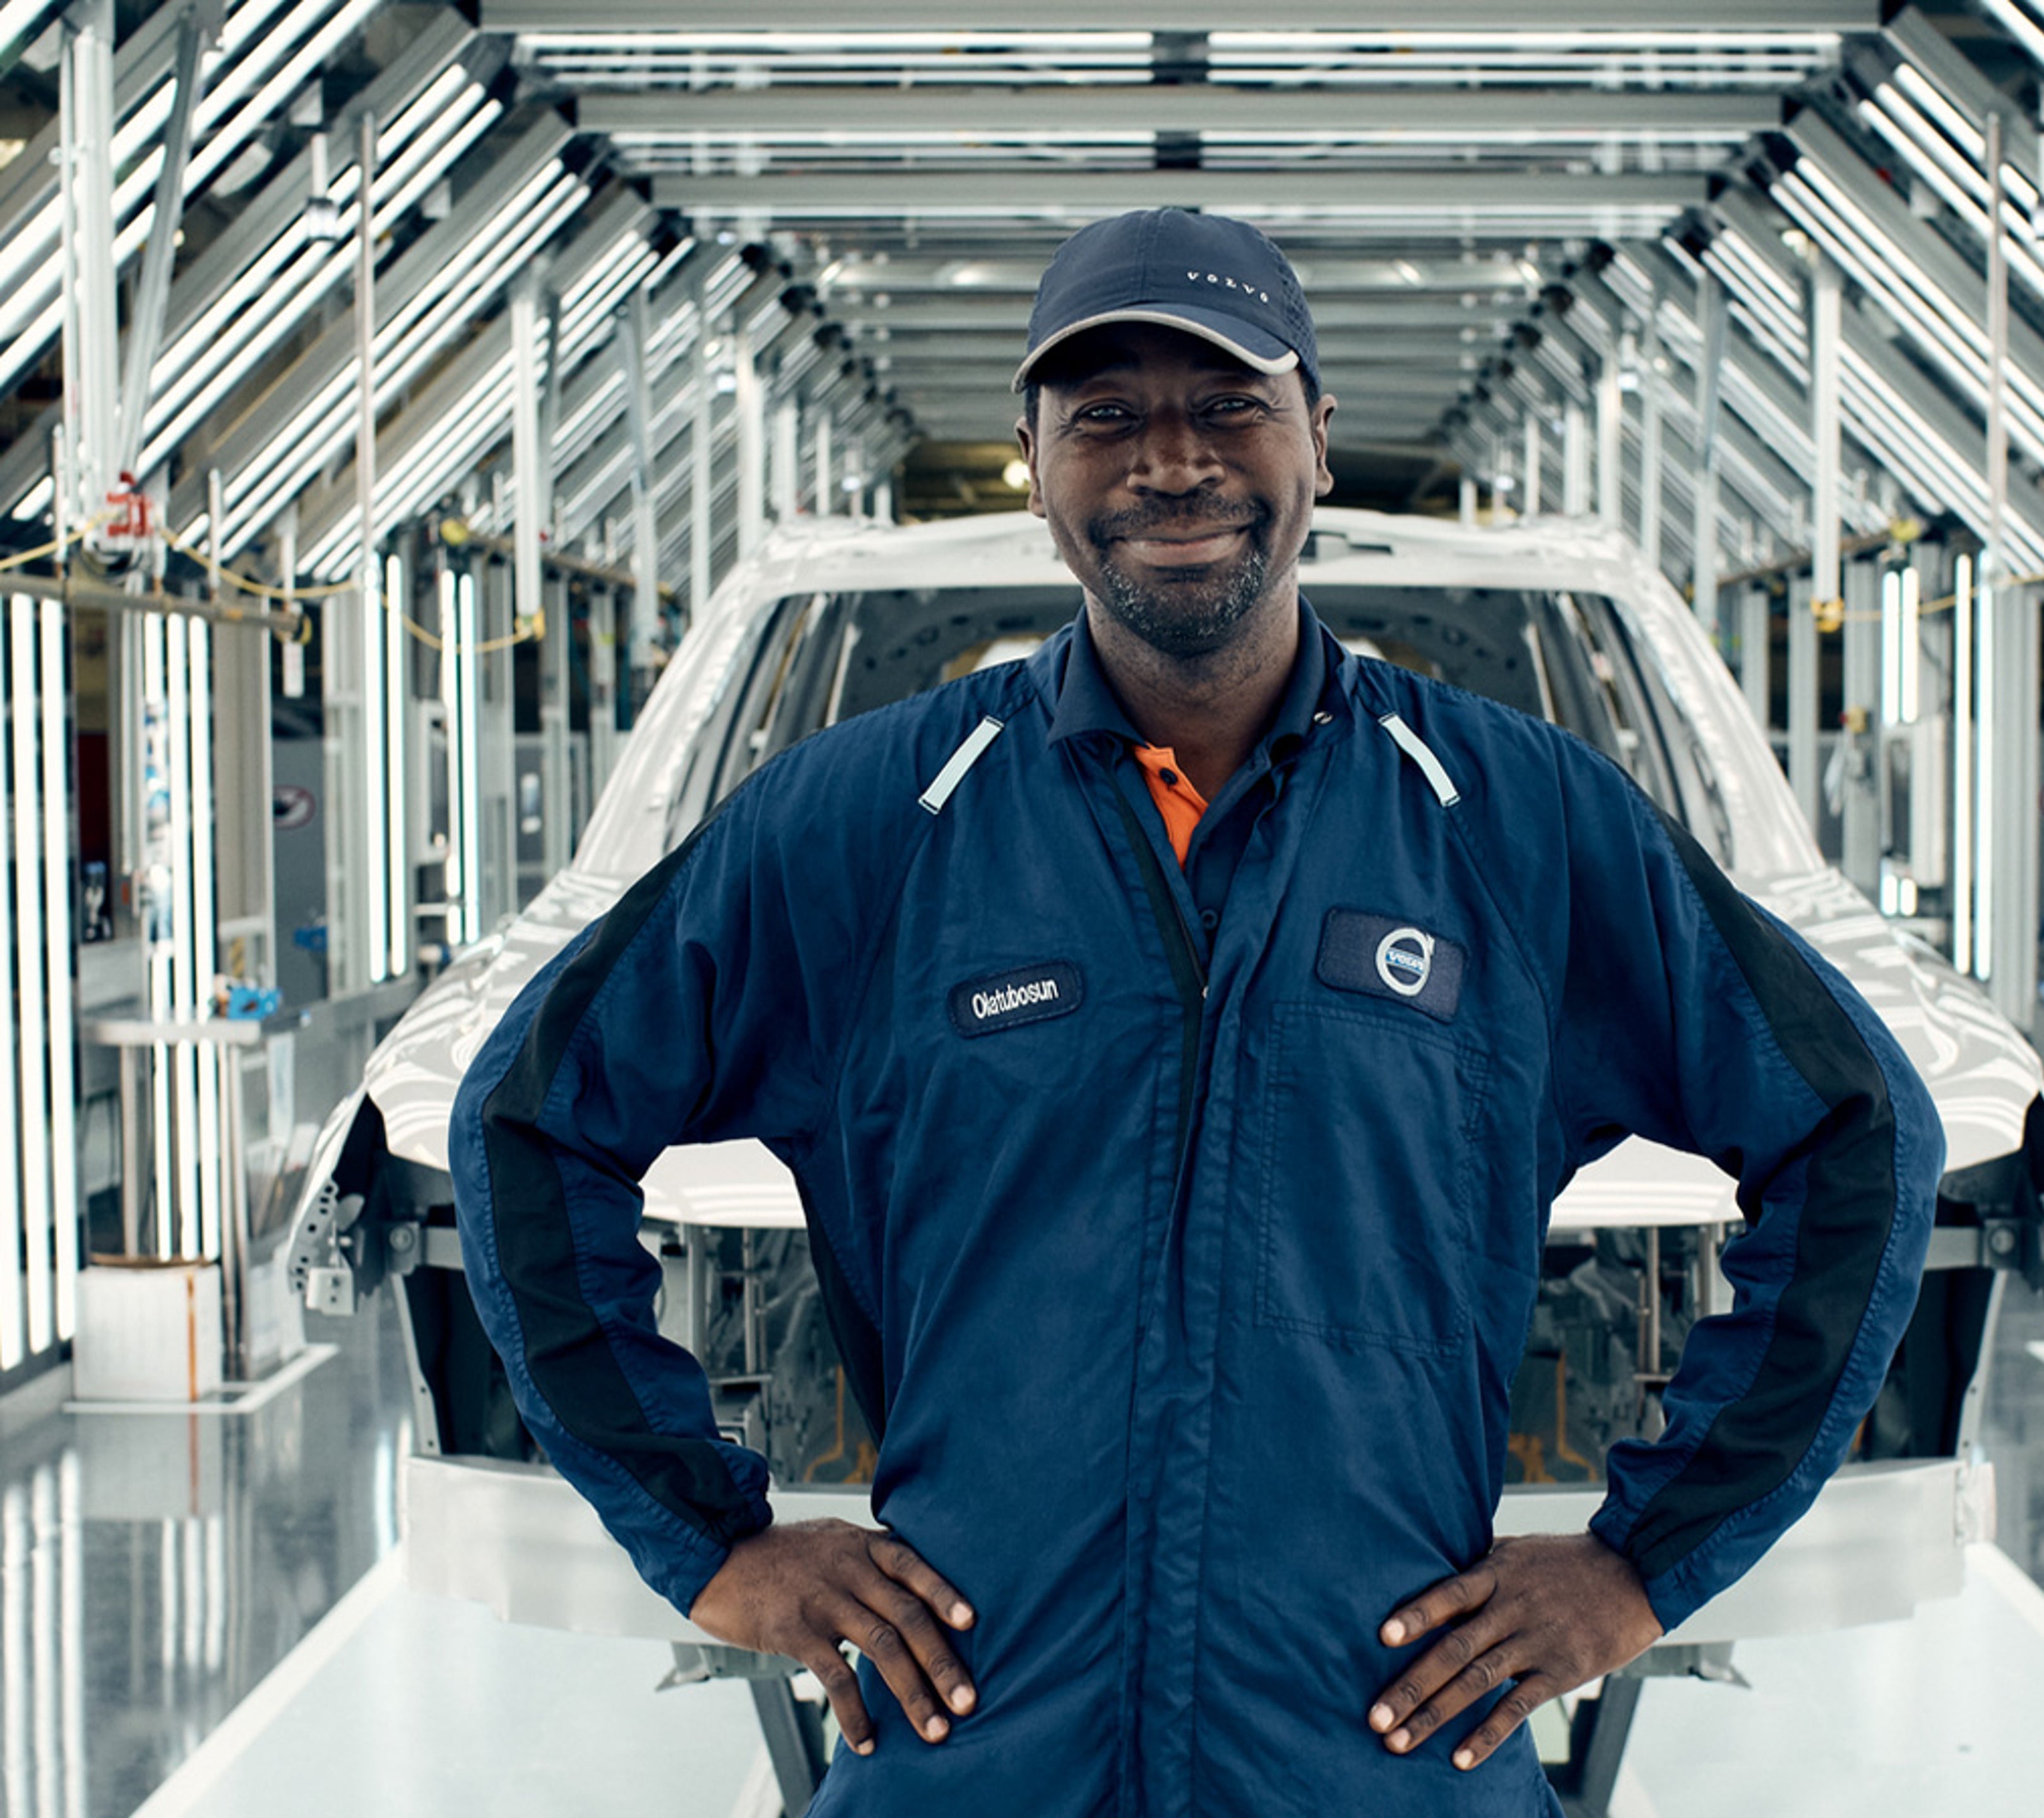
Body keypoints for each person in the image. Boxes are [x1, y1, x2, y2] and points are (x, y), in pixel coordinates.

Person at [451, 208, 1942, 1816]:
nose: (1172, 462)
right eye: (1105, 415)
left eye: (1229, 403)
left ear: (1317, 437)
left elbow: (1858, 1134)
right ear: (1034, 461)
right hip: (976, 1745)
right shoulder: (867, 827)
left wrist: (1643, 1562)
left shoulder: (1518, 824)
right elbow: (529, 1121)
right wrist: (716, 1538)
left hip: (1379, 1754)